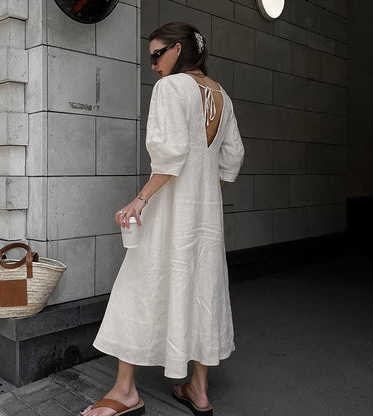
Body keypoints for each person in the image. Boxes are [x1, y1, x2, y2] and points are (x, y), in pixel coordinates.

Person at [81, 22, 244, 416]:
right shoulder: (222, 95)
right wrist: (202, 195)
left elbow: (169, 156)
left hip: (169, 210)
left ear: (179, 49)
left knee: (139, 283)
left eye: (157, 54)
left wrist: (140, 200)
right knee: (202, 288)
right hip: (205, 217)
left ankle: (124, 392)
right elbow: (232, 158)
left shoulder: (171, 88)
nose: (152, 63)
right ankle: (198, 390)